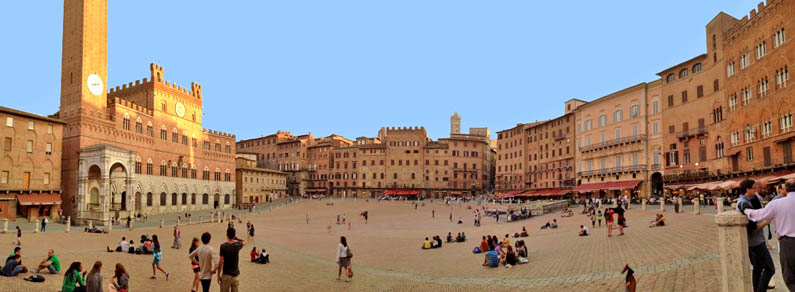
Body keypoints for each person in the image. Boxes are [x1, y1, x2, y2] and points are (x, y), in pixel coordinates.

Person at [744, 178, 795, 291]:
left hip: (789, 245)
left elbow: (759, 215)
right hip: (787, 242)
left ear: (785, 189)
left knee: (790, 277)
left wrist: (746, 210)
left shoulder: (777, 203)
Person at [736, 179, 775, 292]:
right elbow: (753, 228)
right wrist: (765, 222)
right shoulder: (744, 203)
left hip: (752, 241)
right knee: (770, 268)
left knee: (758, 267)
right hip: (756, 242)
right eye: (753, 188)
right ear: (748, 189)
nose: (755, 190)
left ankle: (757, 288)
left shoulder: (746, 200)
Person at [218, 227, 246, 291]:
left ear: (227, 235)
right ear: (234, 235)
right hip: (235, 275)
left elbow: (221, 262)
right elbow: (244, 241)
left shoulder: (223, 246)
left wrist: (218, 275)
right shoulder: (237, 245)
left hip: (226, 274)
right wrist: (237, 238)